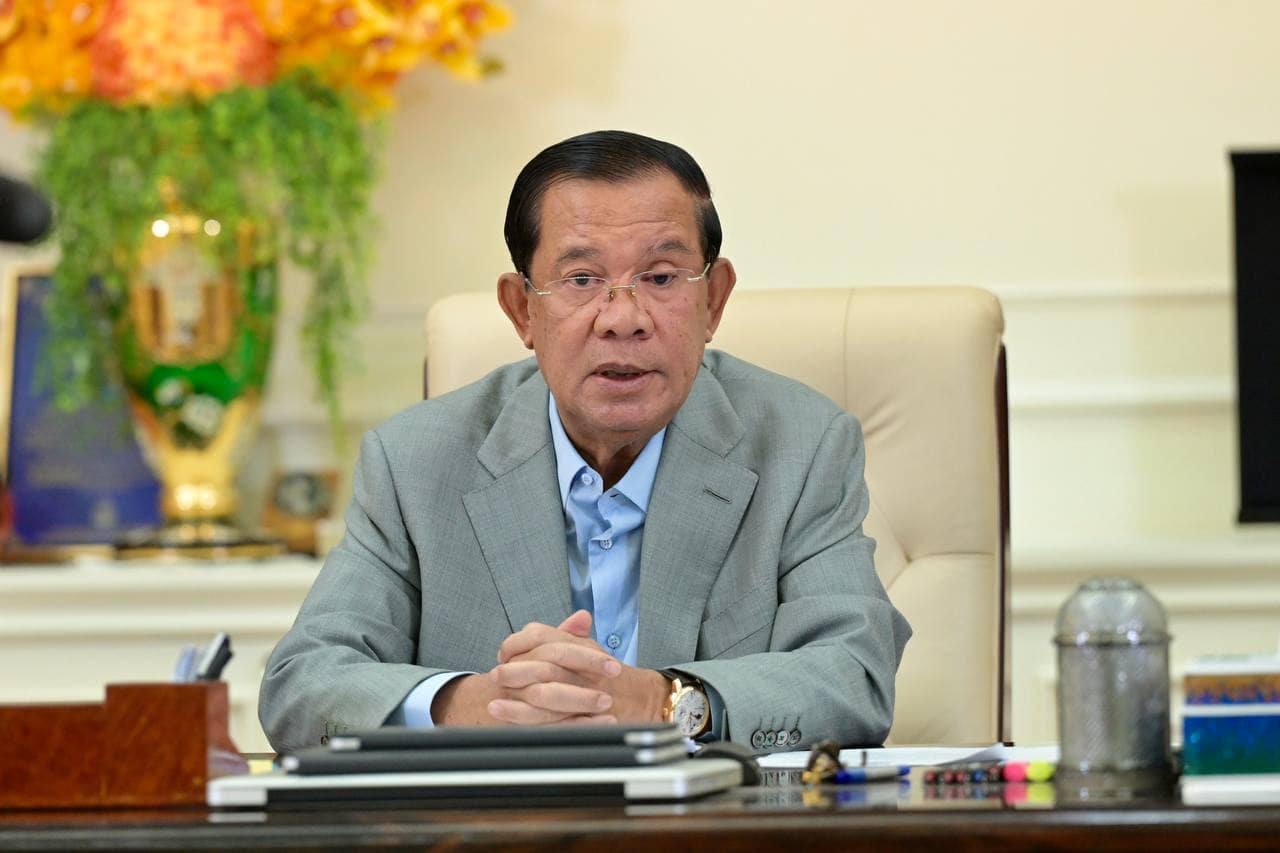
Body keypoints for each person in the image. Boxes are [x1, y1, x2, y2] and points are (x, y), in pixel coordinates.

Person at [259, 130, 911, 755]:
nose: (623, 319)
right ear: (522, 309)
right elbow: (302, 685)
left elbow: (853, 673)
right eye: (581, 280)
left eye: (661, 277)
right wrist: (475, 707)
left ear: (713, 300)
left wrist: (661, 701)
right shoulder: (415, 461)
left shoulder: (802, 446)